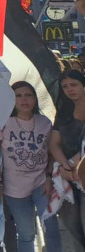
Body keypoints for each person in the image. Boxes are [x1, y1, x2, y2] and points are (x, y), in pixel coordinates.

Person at [0, 82, 61, 252]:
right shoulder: (1, 121)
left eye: (28, 95)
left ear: (35, 98)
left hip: (42, 183)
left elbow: (50, 153)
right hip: (14, 188)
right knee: (26, 233)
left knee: (52, 228)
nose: (24, 100)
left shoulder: (45, 122)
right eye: (18, 96)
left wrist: (49, 177)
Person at [49, 69, 85, 248]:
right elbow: (54, 143)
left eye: (74, 85)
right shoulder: (63, 111)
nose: (70, 89)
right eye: (65, 86)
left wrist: (74, 165)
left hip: (82, 172)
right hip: (67, 176)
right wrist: (65, 166)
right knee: (73, 227)